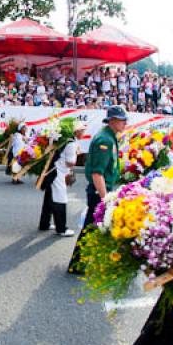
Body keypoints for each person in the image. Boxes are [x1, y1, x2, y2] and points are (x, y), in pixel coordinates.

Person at [68, 106, 127, 275]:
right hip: (98, 191)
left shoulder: (109, 136)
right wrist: (105, 199)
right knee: (91, 227)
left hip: (101, 189)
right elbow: (97, 173)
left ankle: (85, 262)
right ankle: (77, 264)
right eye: (122, 120)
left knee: (96, 227)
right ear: (113, 121)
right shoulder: (105, 140)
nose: (125, 123)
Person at [38, 121, 85, 237]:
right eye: (82, 131)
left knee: (49, 198)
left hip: (53, 171)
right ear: (77, 131)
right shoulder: (71, 143)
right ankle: (61, 229)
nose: (83, 133)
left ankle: (44, 224)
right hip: (57, 173)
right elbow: (70, 162)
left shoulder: (67, 141)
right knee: (60, 199)